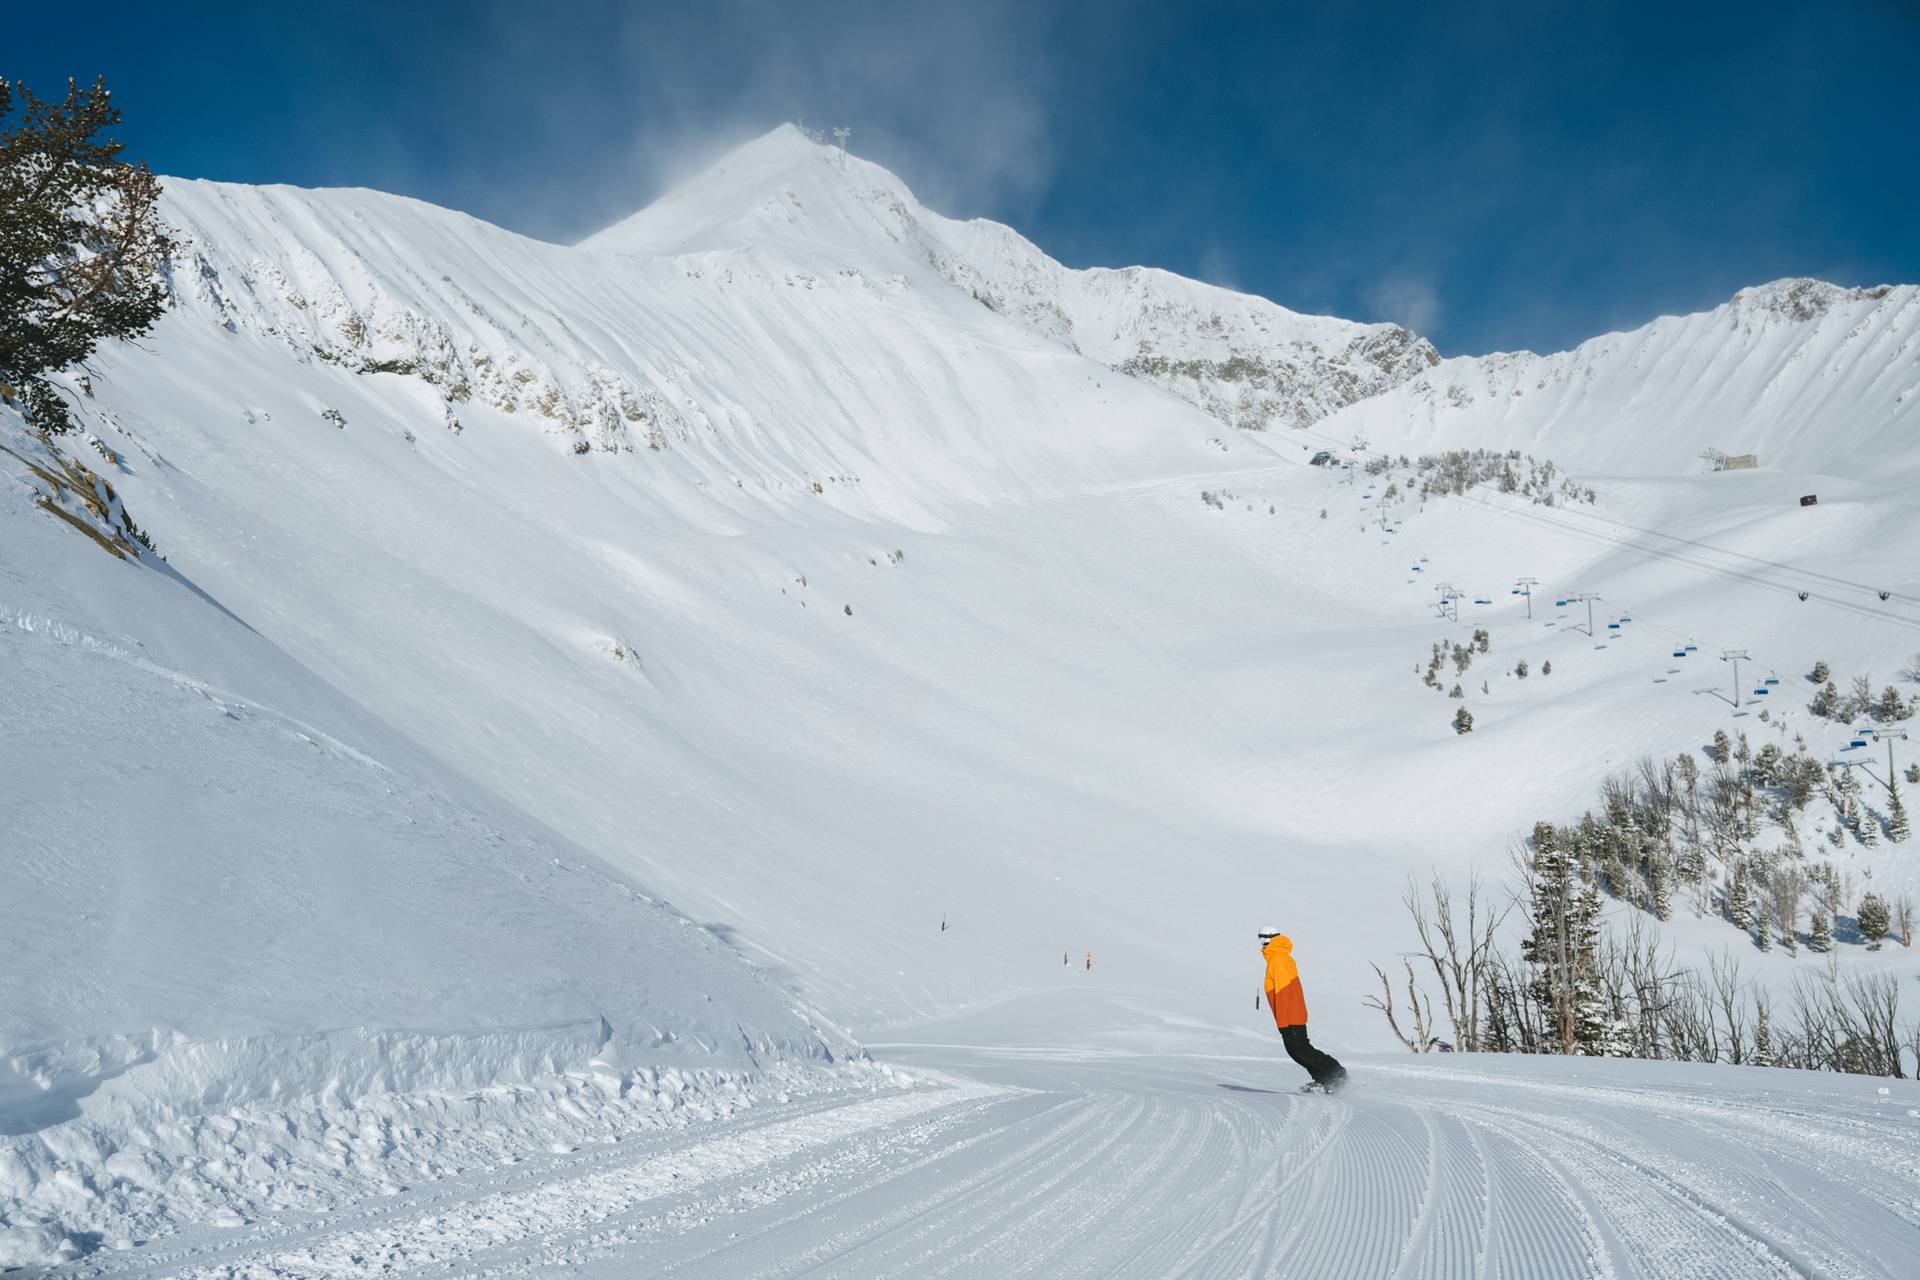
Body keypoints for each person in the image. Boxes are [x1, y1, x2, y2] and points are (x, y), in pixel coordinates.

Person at [1259, 925, 1347, 1091]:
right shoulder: (1280, 957)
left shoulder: (1278, 959)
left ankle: (1336, 1075)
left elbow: (1283, 992)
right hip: (1290, 1013)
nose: (1261, 941)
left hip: (1290, 1015)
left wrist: (1283, 1020)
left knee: (1301, 1050)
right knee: (1297, 1050)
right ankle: (1325, 1079)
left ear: (1269, 938)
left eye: (1262, 937)